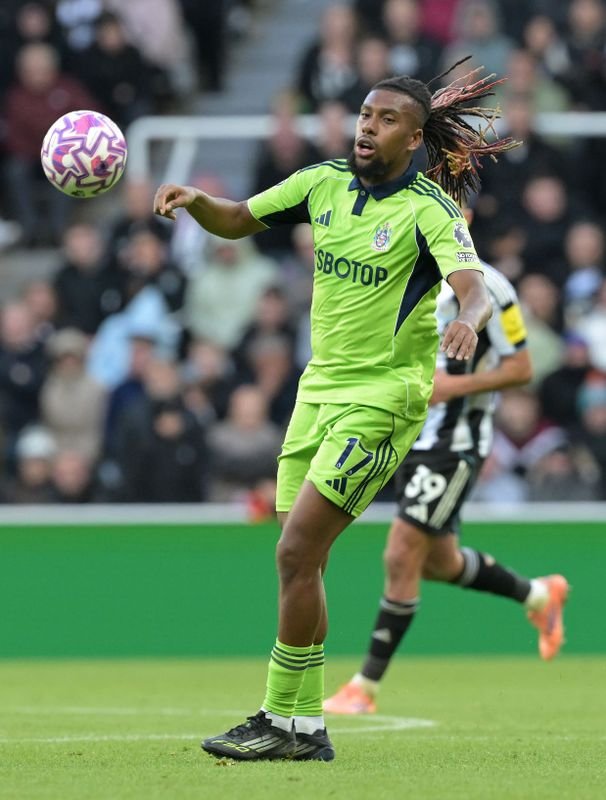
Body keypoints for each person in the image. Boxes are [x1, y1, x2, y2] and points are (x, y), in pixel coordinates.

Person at [153, 63, 516, 762]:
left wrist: (468, 321)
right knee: (301, 563)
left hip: (383, 401)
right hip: (316, 394)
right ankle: (306, 729)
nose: (367, 128)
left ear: (413, 140)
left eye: (384, 121)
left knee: (295, 552)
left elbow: (471, 288)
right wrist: (200, 200)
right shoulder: (321, 183)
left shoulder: (429, 209)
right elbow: (237, 220)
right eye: (364, 116)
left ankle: (275, 716)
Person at [323, 260, 570, 715]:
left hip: (452, 442)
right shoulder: (393, 269)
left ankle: (364, 687)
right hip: (403, 435)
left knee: (401, 553)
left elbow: (521, 368)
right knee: (438, 562)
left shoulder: (490, 287)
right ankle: (538, 594)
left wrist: (452, 388)